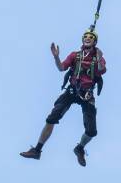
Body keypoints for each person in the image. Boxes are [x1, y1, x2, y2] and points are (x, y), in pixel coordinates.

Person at [20, 29, 106, 167]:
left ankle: (79, 148)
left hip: (87, 94)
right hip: (72, 91)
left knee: (91, 131)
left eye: (91, 37)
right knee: (52, 118)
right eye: (85, 36)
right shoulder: (75, 55)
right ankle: (37, 150)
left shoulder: (97, 58)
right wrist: (56, 57)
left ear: (95, 41)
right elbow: (61, 68)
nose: (88, 38)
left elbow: (102, 70)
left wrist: (100, 57)